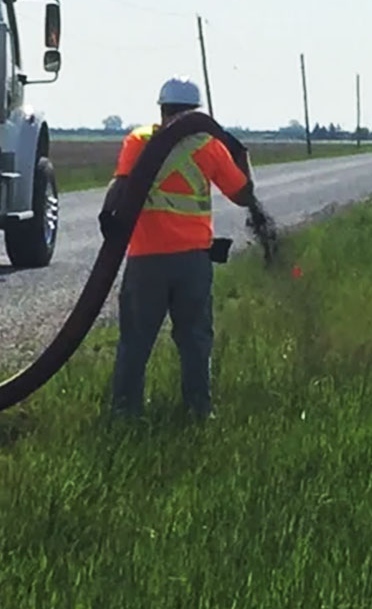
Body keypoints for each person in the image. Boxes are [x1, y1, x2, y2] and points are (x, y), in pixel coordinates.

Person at [99, 77, 257, 419]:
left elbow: (121, 185)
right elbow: (244, 195)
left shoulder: (139, 140)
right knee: (195, 341)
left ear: (162, 107)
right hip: (193, 262)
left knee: (135, 342)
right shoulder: (210, 147)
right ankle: (198, 411)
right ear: (196, 111)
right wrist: (242, 156)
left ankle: (125, 413)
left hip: (146, 261)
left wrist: (107, 215)